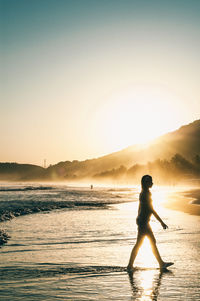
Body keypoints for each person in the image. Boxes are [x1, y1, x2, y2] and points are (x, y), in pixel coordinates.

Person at [127, 175, 173, 270]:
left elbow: (140, 208)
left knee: (143, 243)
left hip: (143, 221)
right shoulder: (145, 194)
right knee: (144, 243)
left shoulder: (145, 193)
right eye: (149, 181)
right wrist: (162, 222)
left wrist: (138, 218)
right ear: (145, 183)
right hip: (143, 222)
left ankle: (130, 265)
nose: (151, 183)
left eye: (151, 181)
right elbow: (151, 209)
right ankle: (160, 264)